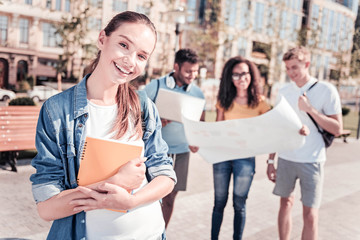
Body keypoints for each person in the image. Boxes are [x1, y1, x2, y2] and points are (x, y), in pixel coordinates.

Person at [30, 11, 177, 240]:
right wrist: (114, 182)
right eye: (123, 45)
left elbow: (165, 175)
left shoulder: (143, 106)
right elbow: (47, 208)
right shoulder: (57, 111)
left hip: (152, 233)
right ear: (102, 39)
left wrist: (131, 201)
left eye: (141, 55)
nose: (130, 60)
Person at [266, 46, 343, 240]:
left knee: (310, 214)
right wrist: (270, 161)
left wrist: (310, 110)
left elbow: (337, 129)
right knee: (285, 204)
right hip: (286, 158)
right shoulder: (284, 92)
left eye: (295, 67)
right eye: (288, 68)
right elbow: (277, 128)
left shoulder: (327, 90)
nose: (291, 73)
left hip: (312, 160)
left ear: (307, 64)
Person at [211, 56, 271, 240]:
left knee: (239, 204)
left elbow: (272, 129)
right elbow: (218, 128)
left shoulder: (260, 102)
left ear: (251, 75)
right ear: (230, 78)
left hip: (245, 158)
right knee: (219, 202)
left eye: (244, 73)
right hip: (222, 156)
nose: (241, 78)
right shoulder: (224, 99)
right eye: (235, 75)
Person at [144, 48, 205, 228]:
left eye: (195, 71)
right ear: (176, 67)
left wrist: (197, 140)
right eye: (188, 71)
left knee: (170, 198)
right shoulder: (154, 86)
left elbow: (200, 124)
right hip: (154, 151)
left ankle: (160, 233)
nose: (192, 75)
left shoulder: (198, 94)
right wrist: (155, 122)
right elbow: (137, 114)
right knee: (150, 196)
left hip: (182, 153)